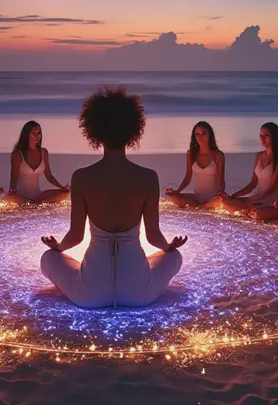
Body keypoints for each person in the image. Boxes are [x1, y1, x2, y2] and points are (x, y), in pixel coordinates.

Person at [40, 87, 186, 308]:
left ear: (94, 131)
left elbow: (76, 237)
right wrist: (168, 246)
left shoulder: (82, 177)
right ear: (132, 131)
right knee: (174, 257)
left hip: (90, 294)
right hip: (139, 293)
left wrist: (58, 247)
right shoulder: (147, 177)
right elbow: (154, 236)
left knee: (48, 258)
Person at [211, 122, 278, 220]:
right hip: (257, 198)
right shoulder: (259, 156)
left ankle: (262, 212)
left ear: (274, 137)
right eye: (261, 135)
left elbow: (273, 187)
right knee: (226, 202)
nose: (262, 138)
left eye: (266, 135)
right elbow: (252, 184)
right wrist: (235, 195)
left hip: (273, 200)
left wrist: (257, 199)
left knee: (258, 214)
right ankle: (250, 211)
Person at [7, 121, 70, 205]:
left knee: (65, 193)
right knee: (11, 198)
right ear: (27, 135)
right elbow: (14, 177)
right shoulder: (18, 154)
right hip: (21, 196)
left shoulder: (43, 152)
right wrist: (12, 189)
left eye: (38, 133)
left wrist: (61, 187)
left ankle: (38, 202)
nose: (37, 136)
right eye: (33, 133)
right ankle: (35, 203)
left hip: (38, 195)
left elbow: (49, 175)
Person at [165, 121, 226, 209]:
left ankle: (205, 205)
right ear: (194, 136)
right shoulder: (191, 153)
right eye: (197, 134)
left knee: (223, 201)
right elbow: (187, 178)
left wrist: (222, 192)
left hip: (214, 198)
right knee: (173, 197)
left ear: (210, 135)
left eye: (203, 133)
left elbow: (221, 180)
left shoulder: (218, 155)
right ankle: (202, 206)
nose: (200, 137)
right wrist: (177, 191)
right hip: (196, 198)